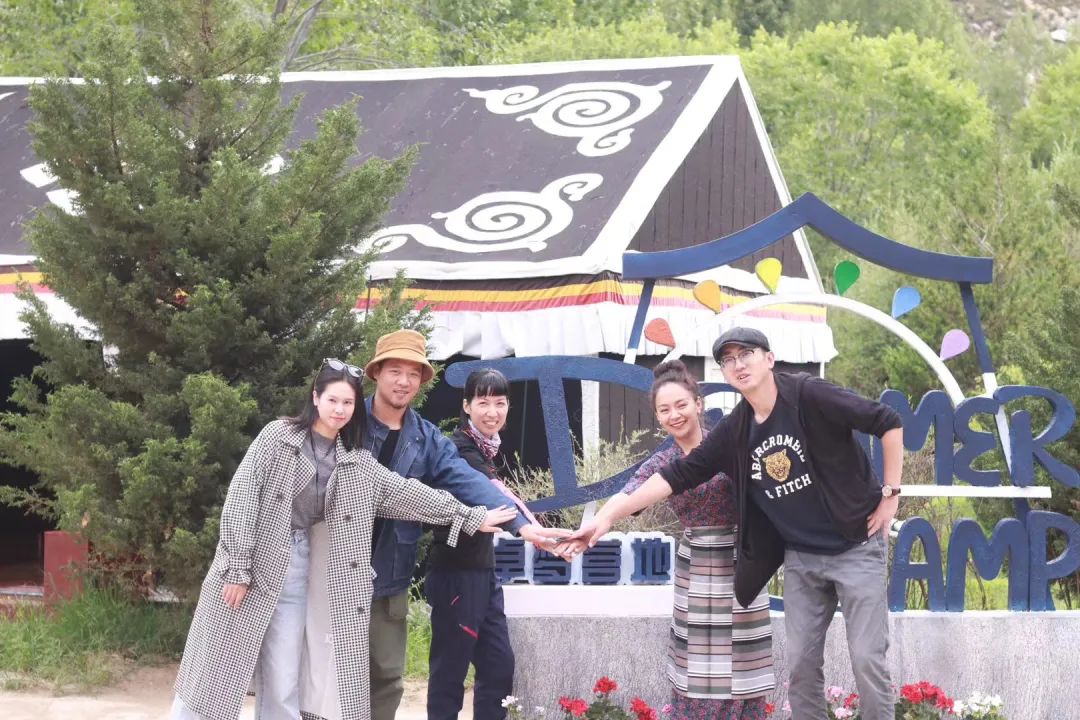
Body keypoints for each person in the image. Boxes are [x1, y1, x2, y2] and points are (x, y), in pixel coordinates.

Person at [570, 327, 904, 720]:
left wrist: (890, 494)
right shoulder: (737, 429)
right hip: (802, 556)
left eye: (746, 354)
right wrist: (606, 517)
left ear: (769, 358)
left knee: (866, 659)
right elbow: (677, 474)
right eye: (728, 360)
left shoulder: (808, 394)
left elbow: (887, 420)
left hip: (855, 546)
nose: (738, 364)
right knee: (800, 667)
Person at [170, 358, 517, 720]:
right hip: (252, 560)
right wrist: (237, 567)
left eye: (348, 403)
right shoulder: (278, 437)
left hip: (298, 566)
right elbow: (242, 499)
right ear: (315, 397)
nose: (339, 409)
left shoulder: (354, 461)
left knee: (284, 675)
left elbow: (406, 494)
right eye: (332, 400)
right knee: (216, 669)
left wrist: (471, 516)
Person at [361, 330, 569, 720]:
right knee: (334, 674)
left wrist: (523, 527)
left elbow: (470, 482)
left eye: (413, 373)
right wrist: (520, 524)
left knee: (388, 678)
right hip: (343, 567)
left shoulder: (426, 438)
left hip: (392, 571)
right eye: (395, 371)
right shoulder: (350, 423)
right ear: (376, 373)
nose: (404, 381)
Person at [565, 360, 774, 720]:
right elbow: (628, 494)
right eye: (665, 410)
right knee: (701, 671)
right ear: (658, 418)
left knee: (744, 667)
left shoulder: (733, 444)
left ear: (698, 404)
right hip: (699, 569)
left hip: (745, 562)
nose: (674, 415)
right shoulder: (662, 463)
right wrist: (598, 523)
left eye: (681, 405)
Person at [424, 368, 537, 720]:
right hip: (455, 575)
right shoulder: (457, 450)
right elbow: (495, 495)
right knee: (450, 671)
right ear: (466, 406)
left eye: (500, 403)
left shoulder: (485, 448)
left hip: (483, 573)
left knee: (498, 665)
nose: (492, 412)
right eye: (483, 402)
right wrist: (536, 532)